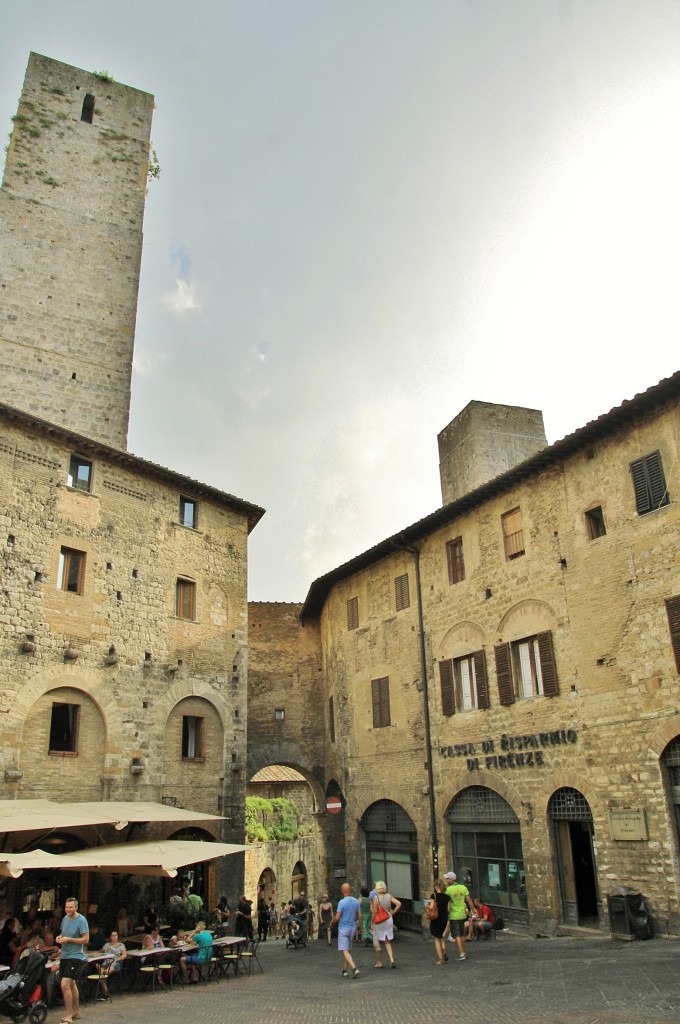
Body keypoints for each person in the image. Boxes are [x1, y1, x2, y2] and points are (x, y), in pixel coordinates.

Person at [56, 896, 89, 1024]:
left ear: (76, 907)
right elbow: (63, 934)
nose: (68, 909)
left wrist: (69, 940)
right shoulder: (65, 919)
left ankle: (68, 1016)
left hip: (76, 956)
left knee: (64, 984)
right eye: (66, 907)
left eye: (70, 907)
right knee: (71, 984)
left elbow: (85, 940)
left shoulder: (81, 920)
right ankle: (76, 1011)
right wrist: (60, 938)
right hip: (65, 955)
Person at [444, 871, 475, 962]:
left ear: (450, 879)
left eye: (447, 879)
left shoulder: (448, 890)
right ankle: (463, 952)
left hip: (454, 915)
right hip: (462, 914)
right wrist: (473, 909)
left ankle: (461, 954)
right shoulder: (463, 887)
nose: (446, 880)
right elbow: (468, 899)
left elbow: (447, 902)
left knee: (457, 935)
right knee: (461, 934)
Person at [331, 882, 361, 978]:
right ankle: (345, 970)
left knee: (344, 950)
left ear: (343, 891)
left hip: (344, 928)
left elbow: (337, 917)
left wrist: (332, 923)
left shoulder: (342, 902)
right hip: (352, 927)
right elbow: (359, 915)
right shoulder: (356, 901)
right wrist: (360, 926)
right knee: (347, 950)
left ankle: (354, 968)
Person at [371, 881, 401, 969]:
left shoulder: (376, 898)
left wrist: (372, 922)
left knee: (377, 940)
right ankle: (392, 960)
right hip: (388, 919)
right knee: (387, 941)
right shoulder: (389, 896)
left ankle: (379, 961)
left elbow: (374, 912)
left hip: (380, 920)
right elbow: (399, 904)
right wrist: (392, 912)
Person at [97, 930, 126, 1000]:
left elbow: (124, 955)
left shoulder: (121, 945)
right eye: (113, 935)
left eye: (116, 935)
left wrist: (117, 959)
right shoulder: (107, 945)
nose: (115, 937)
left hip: (116, 962)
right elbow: (99, 952)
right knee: (100, 969)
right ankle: (106, 993)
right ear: (110, 937)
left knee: (104, 973)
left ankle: (102, 974)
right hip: (106, 962)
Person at [428, 879, 451, 965]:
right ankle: (444, 952)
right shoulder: (447, 897)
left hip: (436, 919)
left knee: (437, 939)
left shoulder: (434, 896)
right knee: (441, 936)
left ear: (436, 887)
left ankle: (440, 958)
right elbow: (448, 909)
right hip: (444, 918)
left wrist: (427, 906)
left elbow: (431, 907)